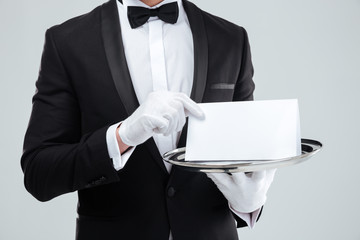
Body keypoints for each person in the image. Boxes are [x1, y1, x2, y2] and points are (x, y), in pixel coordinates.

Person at [21, 0, 276, 239]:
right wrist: (121, 137)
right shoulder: (67, 42)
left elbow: (245, 160)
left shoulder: (232, 39)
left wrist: (248, 204)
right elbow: (39, 172)